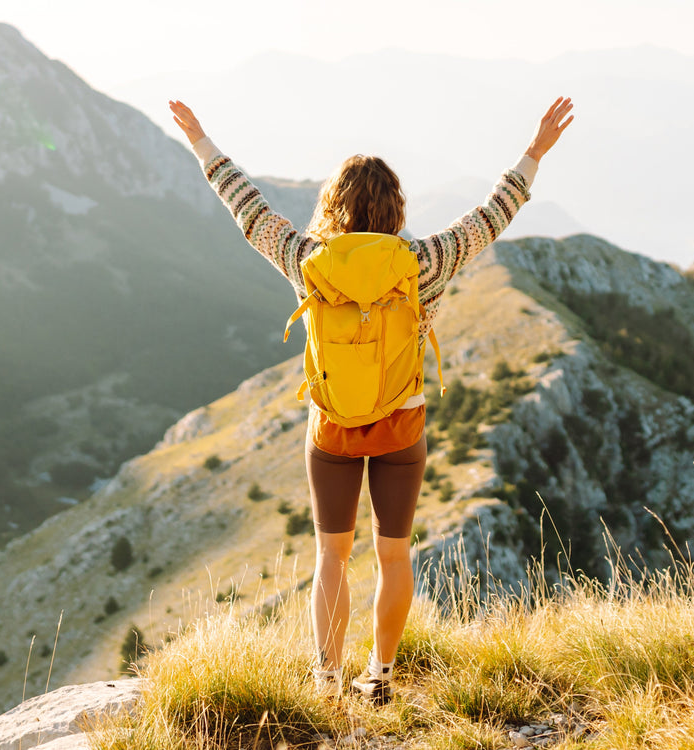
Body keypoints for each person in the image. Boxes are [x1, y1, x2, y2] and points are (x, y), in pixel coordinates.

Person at [169, 96, 575, 703]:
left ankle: (326, 679)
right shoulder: (423, 263)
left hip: (331, 428)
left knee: (331, 556)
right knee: (393, 555)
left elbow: (248, 209)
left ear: (333, 207)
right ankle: (378, 676)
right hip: (401, 429)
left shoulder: (310, 262)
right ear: (396, 210)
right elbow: (492, 216)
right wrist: (535, 153)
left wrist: (202, 142)